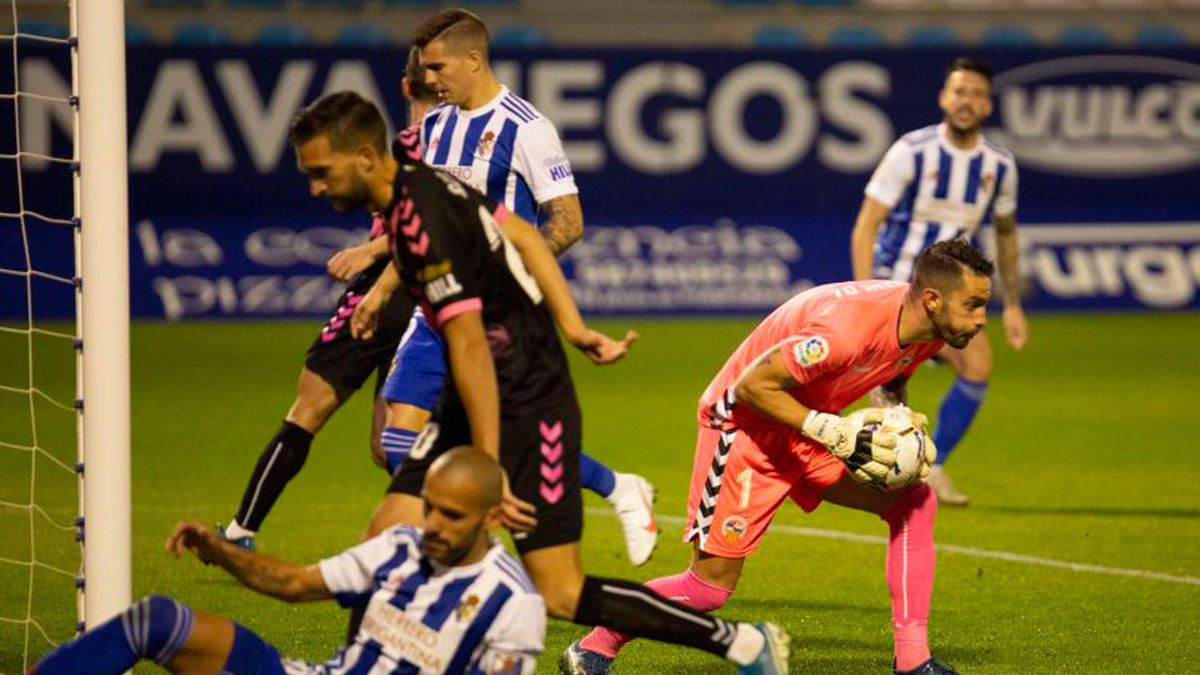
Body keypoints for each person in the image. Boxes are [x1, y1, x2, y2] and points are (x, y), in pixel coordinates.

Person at [290, 91, 790, 674]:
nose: (316, 188)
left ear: (366, 159)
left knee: (559, 590)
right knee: (388, 532)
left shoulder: (425, 222)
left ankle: (743, 643)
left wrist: (491, 466)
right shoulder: (420, 178)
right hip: (477, 386)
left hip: (530, 398)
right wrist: (574, 326)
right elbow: (526, 237)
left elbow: (472, 347)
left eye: (322, 173)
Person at [569, 239, 994, 675]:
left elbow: (893, 374)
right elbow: (752, 387)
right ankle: (595, 645)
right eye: (973, 305)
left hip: (810, 428)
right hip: (744, 431)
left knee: (914, 502)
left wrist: (895, 422)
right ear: (932, 299)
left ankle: (912, 661)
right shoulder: (842, 333)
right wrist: (829, 429)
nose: (981, 319)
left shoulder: (926, 331)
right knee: (708, 588)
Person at [377, 12, 659, 566]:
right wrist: (381, 288)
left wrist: (505, 272)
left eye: (437, 66)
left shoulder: (526, 128)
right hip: (435, 311)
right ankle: (482, 549)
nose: (429, 78)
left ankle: (617, 487)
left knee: (507, 441)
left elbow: (568, 222)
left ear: (473, 60)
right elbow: (419, 220)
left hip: (500, 318)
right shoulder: (434, 127)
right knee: (397, 446)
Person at [32, 447, 547, 674]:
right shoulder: (401, 546)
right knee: (157, 621)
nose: (432, 523)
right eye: (429, 506)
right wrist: (222, 552)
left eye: (451, 515)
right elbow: (295, 583)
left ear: (493, 517)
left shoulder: (513, 602)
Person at [850, 56, 1028, 506]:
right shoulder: (911, 151)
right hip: (898, 287)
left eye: (976, 94)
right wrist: (863, 291)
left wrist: (1012, 304)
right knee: (889, 388)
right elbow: (868, 223)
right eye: (959, 92)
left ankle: (932, 466)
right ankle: (878, 472)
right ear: (944, 98)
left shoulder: (999, 165)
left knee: (978, 367)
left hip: (951, 294)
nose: (967, 101)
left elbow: (1006, 234)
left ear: (988, 106)